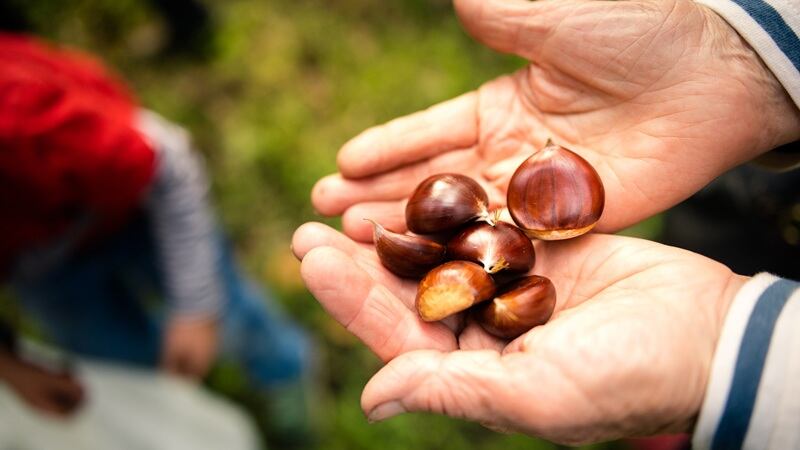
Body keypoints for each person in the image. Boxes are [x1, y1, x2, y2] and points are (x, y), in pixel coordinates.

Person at [293, 0, 800, 447]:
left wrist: (727, 354)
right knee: (723, 228)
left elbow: (492, 257)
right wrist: (753, 56)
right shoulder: (491, 245)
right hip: (754, 213)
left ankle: (709, 419)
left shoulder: (496, 247)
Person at [0, 33, 311, 430]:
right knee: (116, 362)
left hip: (132, 210)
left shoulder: (21, 120)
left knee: (232, 317)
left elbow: (169, 162)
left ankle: (283, 376)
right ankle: (175, 409)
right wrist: (9, 366)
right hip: (39, 272)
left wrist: (197, 307)